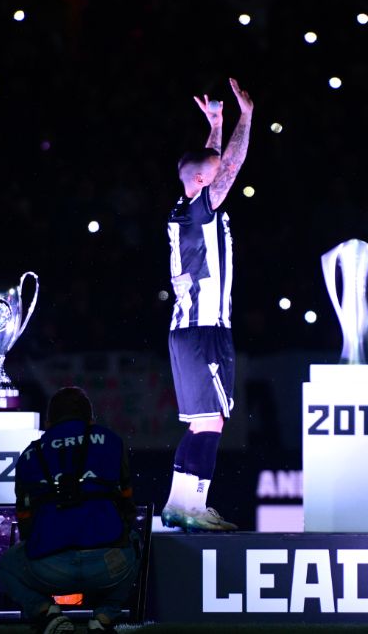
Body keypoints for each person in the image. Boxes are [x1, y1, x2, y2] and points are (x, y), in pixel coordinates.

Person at [161, 77, 253, 531]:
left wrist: (216, 123)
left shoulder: (188, 205)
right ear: (203, 181)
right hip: (203, 330)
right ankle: (194, 507)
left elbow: (211, 162)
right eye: (215, 176)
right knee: (211, 425)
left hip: (188, 331)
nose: (225, 179)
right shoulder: (200, 209)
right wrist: (245, 117)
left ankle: (178, 505)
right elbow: (230, 163)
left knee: (201, 423)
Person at [0, 387, 139, 634]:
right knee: (136, 541)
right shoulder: (111, 441)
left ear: (48, 422)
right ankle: (104, 618)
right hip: (107, 566)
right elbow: (127, 503)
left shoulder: (30, 454)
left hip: (50, 569)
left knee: (5, 566)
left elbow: (25, 519)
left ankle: (47, 614)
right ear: (90, 418)